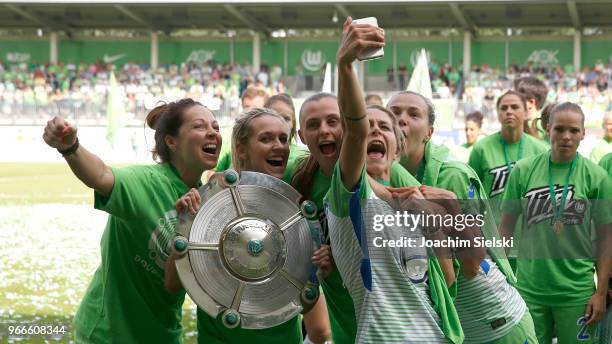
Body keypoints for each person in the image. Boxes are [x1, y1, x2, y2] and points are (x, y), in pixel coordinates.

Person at [325, 17, 463, 344]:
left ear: (397, 149)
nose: (374, 130)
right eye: (368, 125)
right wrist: (345, 65)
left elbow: (447, 280)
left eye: (385, 127)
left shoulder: (415, 203)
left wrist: (434, 227)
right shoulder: (349, 195)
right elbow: (356, 128)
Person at [42, 99, 222, 343]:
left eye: (216, 127)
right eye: (199, 126)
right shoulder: (147, 182)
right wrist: (70, 147)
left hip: (163, 334)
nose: (212, 132)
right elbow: (101, 175)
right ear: (172, 141)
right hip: (109, 333)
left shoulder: (207, 202)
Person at [166, 108, 330, 344]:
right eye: (266, 139)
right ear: (241, 149)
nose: (279, 146)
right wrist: (184, 225)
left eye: (283, 139)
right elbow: (172, 284)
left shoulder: (290, 211)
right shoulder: (289, 215)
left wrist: (318, 266)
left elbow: (318, 324)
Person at [387, 90, 537, 344]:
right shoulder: (382, 176)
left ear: (429, 132)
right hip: (455, 329)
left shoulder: (452, 176)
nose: (401, 119)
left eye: (413, 114)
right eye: (394, 113)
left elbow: (471, 264)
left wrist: (450, 212)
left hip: (497, 323)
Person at [287, 91, 419, 344]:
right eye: (313, 125)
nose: (324, 131)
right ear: (303, 137)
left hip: (390, 317)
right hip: (344, 320)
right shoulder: (300, 176)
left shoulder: (388, 172)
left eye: (332, 122)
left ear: (347, 127)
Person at [499, 102, 612, 344]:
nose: (566, 137)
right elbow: (505, 228)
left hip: (576, 293)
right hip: (529, 290)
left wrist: (600, 293)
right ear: (548, 129)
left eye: (573, 130)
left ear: (583, 133)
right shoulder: (524, 170)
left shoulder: (597, 177)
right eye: (559, 129)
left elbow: (606, 239)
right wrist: (501, 279)